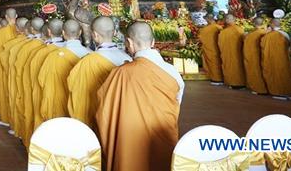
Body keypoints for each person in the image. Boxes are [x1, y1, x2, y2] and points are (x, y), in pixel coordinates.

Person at [96, 21, 184, 171]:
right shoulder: (173, 73)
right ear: (153, 42)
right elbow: (176, 105)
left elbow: (104, 113)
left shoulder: (120, 74)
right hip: (163, 141)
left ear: (129, 43)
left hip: (129, 146)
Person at [67, 16, 131, 133]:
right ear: (115, 32)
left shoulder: (86, 62)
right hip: (121, 119)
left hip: (95, 118)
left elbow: (73, 87)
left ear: (95, 35)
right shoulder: (129, 60)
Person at [39, 19, 90, 122]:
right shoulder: (91, 55)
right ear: (80, 32)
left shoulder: (53, 56)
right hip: (81, 108)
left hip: (58, 105)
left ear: (63, 33)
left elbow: (41, 80)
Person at [261, 18, 291, 100]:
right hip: (283, 59)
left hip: (271, 59)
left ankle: (277, 92)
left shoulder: (267, 36)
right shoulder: (284, 34)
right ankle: (286, 92)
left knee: (274, 74)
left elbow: (262, 45)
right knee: (284, 74)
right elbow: (289, 45)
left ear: (271, 24)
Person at [217, 13, 246, 88]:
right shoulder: (240, 29)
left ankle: (233, 83)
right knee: (238, 67)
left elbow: (220, 44)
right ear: (234, 19)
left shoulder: (223, 32)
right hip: (238, 53)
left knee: (230, 66)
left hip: (228, 54)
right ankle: (240, 83)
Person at [243, 16, 269, 94]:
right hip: (265, 56)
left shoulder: (250, 35)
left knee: (256, 71)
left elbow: (246, 48)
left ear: (253, 23)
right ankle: (269, 88)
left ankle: (259, 89)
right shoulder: (266, 33)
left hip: (254, 56)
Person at [198, 15, 223, 85]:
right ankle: (221, 78)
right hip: (218, 49)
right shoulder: (219, 27)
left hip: (209, 49)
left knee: (212, 64)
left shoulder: (204, 30)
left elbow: (201, 39)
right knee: (219, 63)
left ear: (208, 20)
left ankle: (216, 79)